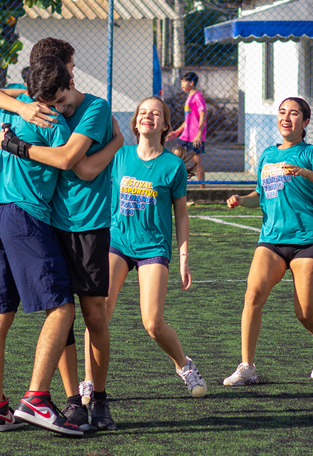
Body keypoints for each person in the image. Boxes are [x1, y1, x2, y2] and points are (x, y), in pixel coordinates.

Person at [0, 37, 124, 432]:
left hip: (87, 225)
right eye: (49, 100)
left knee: (93, 316)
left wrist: (115, 142)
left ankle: (98, 398)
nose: (57, 108)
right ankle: (70, 400)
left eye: (61, 99)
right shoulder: (38, 103)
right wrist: (20, 106)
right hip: (44, 222)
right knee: (59, 311)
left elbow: (79, 168)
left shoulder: (95, 108)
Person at [0, 55, 83, 436]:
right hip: (27, 216)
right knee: (62, 309)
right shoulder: (53, 120)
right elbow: (71, 163)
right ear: (61, 87)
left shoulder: (10, 112)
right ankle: (36, 398)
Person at [223, 97, 313, 386]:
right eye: (282, 112)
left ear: (305, 122)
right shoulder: (266, 155)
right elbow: (260, 196)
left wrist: (305, 172)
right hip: (271, 240)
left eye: (294, 113)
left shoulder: (312, 152)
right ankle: (247, 366)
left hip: (308, 240)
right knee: (253, 295)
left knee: (304, 313)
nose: (286, 117)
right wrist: (242, 199)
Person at [105, 96, 207, 398]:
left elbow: (182, 215)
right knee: (98, 315)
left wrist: (184, 258)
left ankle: (184, 365)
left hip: (153, 247)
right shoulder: (119, 157)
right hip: (117, 242)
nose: (148, 116)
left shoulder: (173, 166)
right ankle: (88, 382)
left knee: (152, 323)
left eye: (156, 113)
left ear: (164, 124)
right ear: (136, 121)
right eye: (143, 112)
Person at [168, 72, 207, 187]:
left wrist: (199, 134)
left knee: (196, 162)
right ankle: (175, 185)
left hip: (195, 136)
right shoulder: (189, 97)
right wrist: (177, 132)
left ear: (191, 83)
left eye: (183, 82)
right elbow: (188, 119)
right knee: (175, 156)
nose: (181, 84)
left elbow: (203, 116)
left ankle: (202, 189)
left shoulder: (198, 96)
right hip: (186, 135)